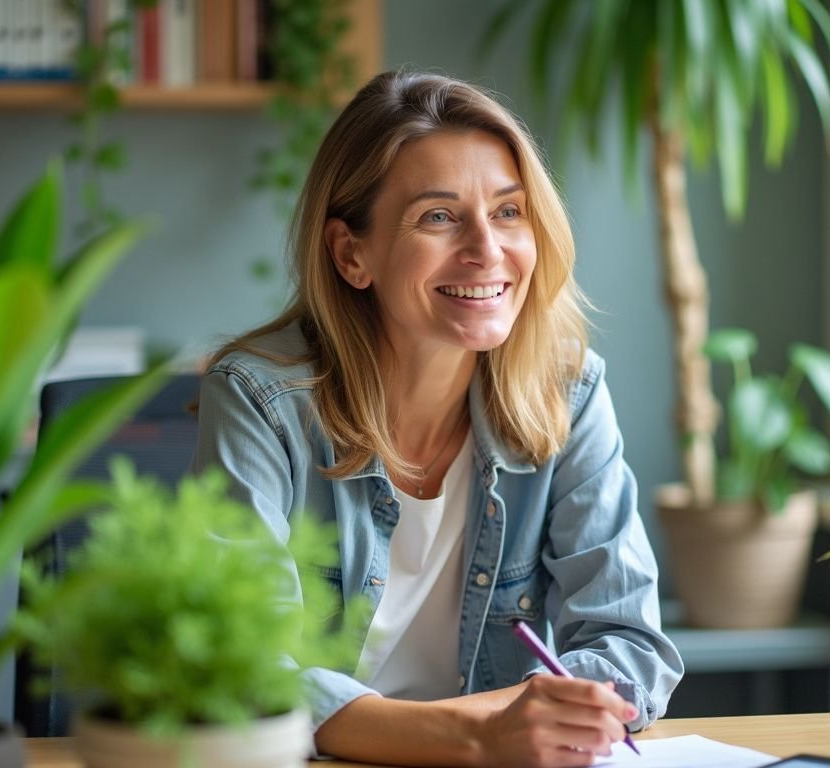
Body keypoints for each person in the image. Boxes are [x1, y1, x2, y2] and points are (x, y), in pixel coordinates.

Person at [192, 70, 682, 767]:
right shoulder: (259, 399)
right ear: (351, 254)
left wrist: (503, 730)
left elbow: (631, 648)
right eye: (439, 217)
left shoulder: (566, 393)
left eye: (509, 212)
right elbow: (249, 672)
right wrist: (483, 736)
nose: (488, 250)